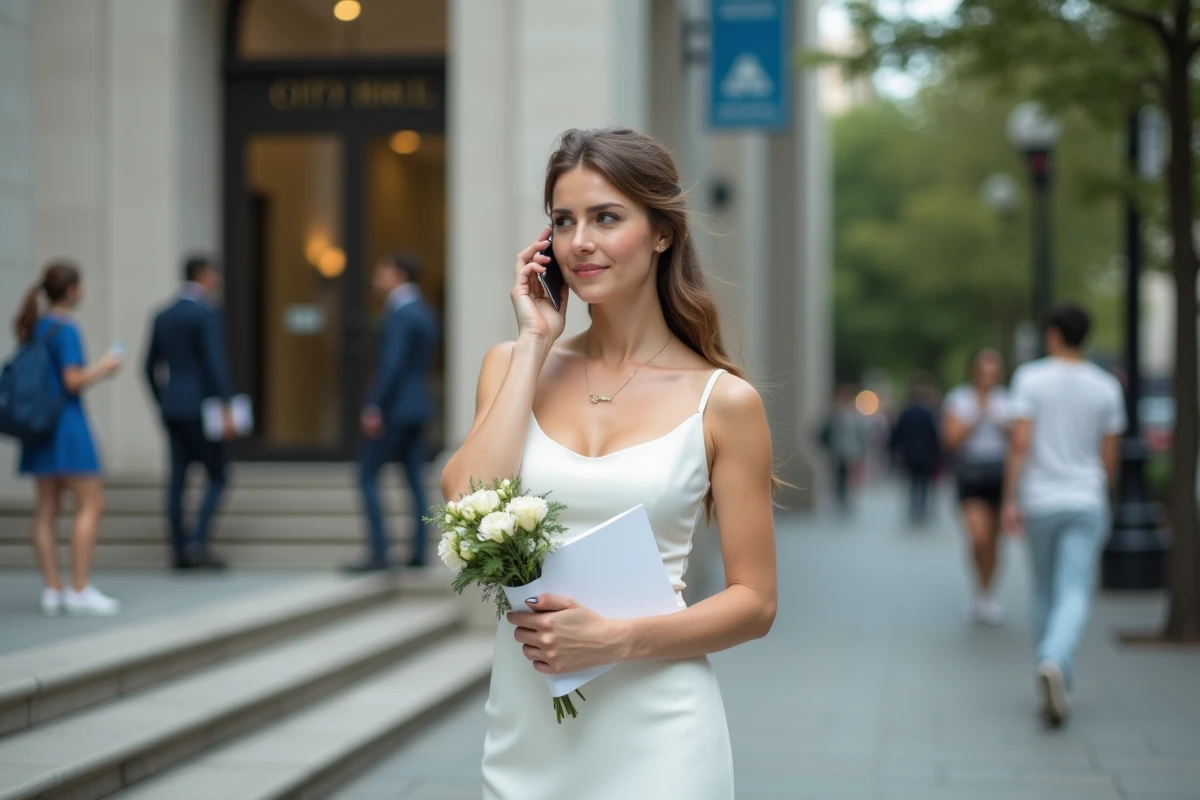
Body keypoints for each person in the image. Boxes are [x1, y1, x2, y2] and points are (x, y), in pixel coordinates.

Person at [440, 128, 777, 799]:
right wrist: (536, 341)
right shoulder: (512, 366)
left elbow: (755, 603)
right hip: (527, 726)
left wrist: (615, 639)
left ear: (660, 233)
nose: (579, 242)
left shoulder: (725, 402)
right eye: (563, 221)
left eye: (606, 217)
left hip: (661, 731)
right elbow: (465, 503)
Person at [1003, 304, 1124, 728]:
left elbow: (1020, 443)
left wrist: (1009, 499)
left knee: (1043, 591)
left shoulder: (1030, 379)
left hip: (1040, 499)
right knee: (1073, 589)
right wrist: (1101, 494)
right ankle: (1056, 663)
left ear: (1053, 334)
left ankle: (1050, 664)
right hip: (1086, 498)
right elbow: (1110, 457)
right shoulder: (1106, 387)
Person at [14, 261, 122, 616]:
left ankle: (53, 589)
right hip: (66, 424)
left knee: (46, 508)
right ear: (72, 289)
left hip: (37, 426)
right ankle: (78, 587)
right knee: (91, 504)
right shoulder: (66, 328)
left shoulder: (35, 325)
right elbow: (72, 380)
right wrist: (104, 369)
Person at [346, 253, 439, 573]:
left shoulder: (399, 313)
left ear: (399, 274)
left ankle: (379, 552)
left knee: (367, 475)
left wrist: (375, 406)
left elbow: (392, 365)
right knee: (414, 480)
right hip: (417, 407)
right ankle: (418, 552)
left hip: (396, 409)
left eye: (381, 271)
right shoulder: (424, 311)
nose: (376, 277)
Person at [143, 255, 234, 570]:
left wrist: (162, 400)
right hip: (201, 407)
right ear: (203, 275)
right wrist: (226, 404)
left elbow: (148, 366)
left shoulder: (163, 314)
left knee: (178, 479)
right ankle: (196, 543)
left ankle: (179, 549)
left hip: (173, 406)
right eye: (215, 274)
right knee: (219, 475)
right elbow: (214, 363)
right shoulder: (205, 313)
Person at [943, 349, 1011, 625]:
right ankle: (978, 589)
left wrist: (997, 419)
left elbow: (1020, 436)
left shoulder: (1009, 400)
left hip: (999, 472)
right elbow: (950, 439)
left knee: (995, 540)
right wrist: (977, 415)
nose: (989, 378)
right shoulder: (959, 399)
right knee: (978, 536)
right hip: (971, 472)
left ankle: (987, 594)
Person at [890, 373, 942, 525]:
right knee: (924, 482)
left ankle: (914, 507)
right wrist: (937, 453)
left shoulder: (906, 414)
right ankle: (921, 508)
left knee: (913, 482)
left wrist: (894, 450)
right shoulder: (928, 414)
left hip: (909, 454)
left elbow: (897, 434)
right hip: (926, 454)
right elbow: (934, 436)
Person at [820, 384, 870, 512]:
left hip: (852, 451)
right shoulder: (833, 413)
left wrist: (862, 451)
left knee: (850, 477)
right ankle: (840, 499)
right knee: (838, 477)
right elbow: (825, 432)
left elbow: (861, 434)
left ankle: (847, 499)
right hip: (837, 452)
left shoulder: (854, 414)